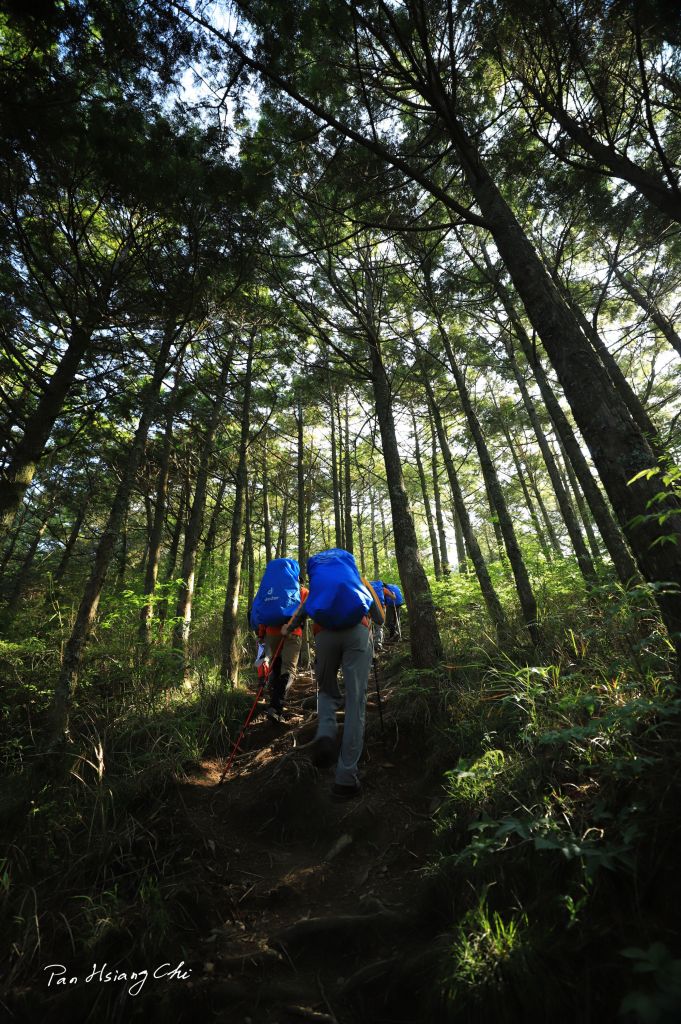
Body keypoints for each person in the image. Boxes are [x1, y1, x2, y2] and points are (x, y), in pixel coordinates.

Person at [282, 550, 385, 799]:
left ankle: (326, 734)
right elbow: (380, 619)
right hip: (357, 634)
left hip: (324, 635)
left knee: (326, 691)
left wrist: (289, 628)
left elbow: (303, 611)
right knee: (356, 702)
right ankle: (345, 778)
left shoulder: (318, 586)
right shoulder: (360, 581)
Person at [250, 559, 308, 725]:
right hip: (292, 633)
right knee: (288, 668)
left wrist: (261, 634)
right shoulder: (302, 591)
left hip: (270, 633)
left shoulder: (268, 591)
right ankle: (276, 707)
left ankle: (271, 702)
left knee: (274, 667)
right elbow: (309, 610)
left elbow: (259, 612)